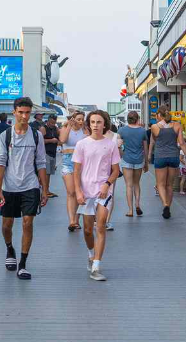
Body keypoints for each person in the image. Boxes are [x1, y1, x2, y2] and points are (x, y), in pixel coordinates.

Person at [0, 97, 48, 280]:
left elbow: (41, 162)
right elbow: (0, 163)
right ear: (14, 112)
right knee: (7, 224)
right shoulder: (5, 136)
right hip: (9, 186)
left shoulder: (36, 135)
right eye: (21, 112)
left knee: (27, 222)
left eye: (27, 112)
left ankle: (23, 264)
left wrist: (45, 190)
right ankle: (10, 249)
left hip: (30, 185)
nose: (24, 116)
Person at [73, 110, 120, 281]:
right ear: (88, 124)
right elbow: (76, 171)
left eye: (98, 122)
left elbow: (116, 170)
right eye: (92, 122)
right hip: (86, 191)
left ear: (104, 124)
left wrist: (107, 184)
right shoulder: (82, 145)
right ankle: (91, 254)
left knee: (100, 226)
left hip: (103, 190)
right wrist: (78, 191)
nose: (95, 125)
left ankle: (97, 266)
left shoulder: (111, 144)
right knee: (87, 230)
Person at [150, 108, 186, 219]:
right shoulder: (177, 125)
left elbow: (154, 141)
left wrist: (149, 155)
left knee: (160, 184)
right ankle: (168, 206)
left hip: (160, 157)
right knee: (169, 185)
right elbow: (182, 143)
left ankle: (165, 204)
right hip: (174, 156)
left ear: (159, 115)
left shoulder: (155, 127)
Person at [58, 110, 88, 231]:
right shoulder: (65, 127)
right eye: (79, 119)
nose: (81, 121)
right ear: (73, 119)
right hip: (68, 162)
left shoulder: (85, 130)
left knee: (79, 192)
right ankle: (71, 220)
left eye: (82, 119)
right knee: (71, 192)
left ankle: (76, 220)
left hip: (82, 162)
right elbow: (63, 140)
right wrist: (69, 126)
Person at [117, 111, 148, 217]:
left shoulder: (121, 130)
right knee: (136, 184)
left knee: (129, 185)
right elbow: (145, 148)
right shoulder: (142, 131)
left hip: (127, 159)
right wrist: (146, 162)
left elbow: (119, 146)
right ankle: (137, 204)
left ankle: (130, 210)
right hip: (139, 160)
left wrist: (121, 156)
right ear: (137, 118)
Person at [42, 115, 61, 198]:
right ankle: (44, 191)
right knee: (45, 174)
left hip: (53, 153)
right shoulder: (43, 128)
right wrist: (51, 140)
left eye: (54, 122)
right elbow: (40, 141)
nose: (52, 124)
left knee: (49, 174)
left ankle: (46, 190)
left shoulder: (55, 129)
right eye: (51, 122)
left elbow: (60, 137)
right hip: (45, 153)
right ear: (48, 121)